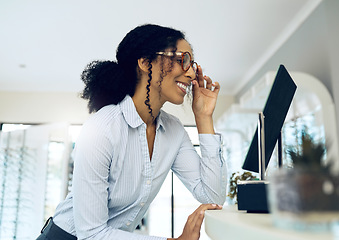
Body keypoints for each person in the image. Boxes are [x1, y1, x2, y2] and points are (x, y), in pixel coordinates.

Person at [36, 23, 226, 240]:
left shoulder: (173, 131)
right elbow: (91, 234)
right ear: (145, 63)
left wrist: (203, 118)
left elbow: (213, 197)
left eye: (192, 64)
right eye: (182, 60)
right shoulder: (102, 128)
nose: (191, 73)